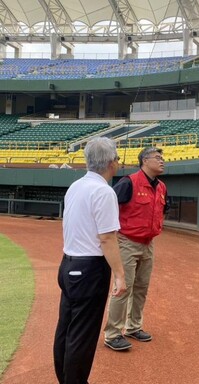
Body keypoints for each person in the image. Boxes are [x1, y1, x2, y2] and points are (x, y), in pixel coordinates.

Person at [53, 137, 127, 384]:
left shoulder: (75, 186)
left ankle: (64, 379)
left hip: (68, 264)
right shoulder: (104, 191)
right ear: (110, 163)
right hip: (89, 269)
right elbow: (107, 238)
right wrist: (119, 275)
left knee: (66, 327)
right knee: (83, 334)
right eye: (117, 158)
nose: (118, 163)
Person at [104, 147, 167, 351]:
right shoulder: (128, 182)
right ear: (144, 161)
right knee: (123, 288)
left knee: (141, 288)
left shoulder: (162, 187)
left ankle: (133, 327)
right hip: (127, 242)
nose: (162, 160)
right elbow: (109, 206)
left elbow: (162, 211)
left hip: (148, 244)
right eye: (157, 157)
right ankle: (112, 334)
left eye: (162, 157)